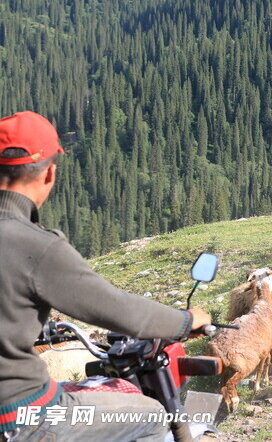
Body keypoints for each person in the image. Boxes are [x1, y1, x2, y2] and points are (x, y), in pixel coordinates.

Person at [0, 111, 213, 441]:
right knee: (150, 414)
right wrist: (186, 321)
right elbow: (121, 311)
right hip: (23, 415)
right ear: (49, 174)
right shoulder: (36, 245)